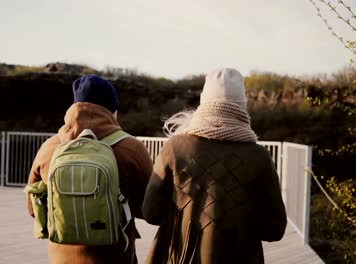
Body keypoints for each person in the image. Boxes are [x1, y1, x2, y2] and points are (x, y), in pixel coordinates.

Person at [141, 67, 287, 264]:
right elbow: (274, 229)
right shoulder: (259, 156)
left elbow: (151, 214)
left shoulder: (175, 148)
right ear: (242, 106)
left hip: (182, 257)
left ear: (204, 102)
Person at [26, 74, 153, 264]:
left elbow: (33, 208)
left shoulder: (50, 147)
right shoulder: (131, 148)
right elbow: (150, 210)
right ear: (113, 111)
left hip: (61, 257)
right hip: (114, 257)